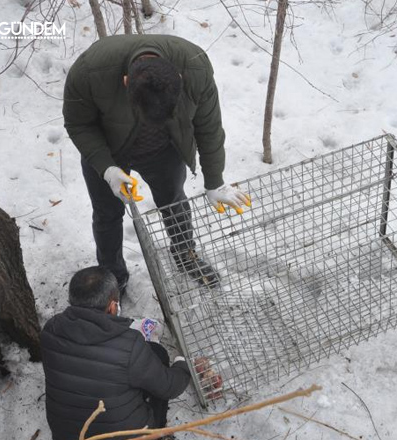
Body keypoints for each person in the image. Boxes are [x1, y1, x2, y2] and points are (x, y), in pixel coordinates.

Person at [63, 35, 251, 292]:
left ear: (179, 79)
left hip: (163, 148)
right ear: (126, 82)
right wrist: (106, 168)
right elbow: (78, 123)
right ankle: (112, 276)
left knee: (174, 201)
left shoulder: (194, 66)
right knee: (107, 214)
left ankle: (186, 255)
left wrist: (215, 181)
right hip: (108, 148)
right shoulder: (89, 71)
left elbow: (208, 127)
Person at [40, 267, 192, 440]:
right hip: (127, 436)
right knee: (158, 355)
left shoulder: (51, 330)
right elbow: (169, 386)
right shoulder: (129, 344)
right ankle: (157, 433)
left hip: (67, 435)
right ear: (113, 306)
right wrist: (183, 364)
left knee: (146, 356)